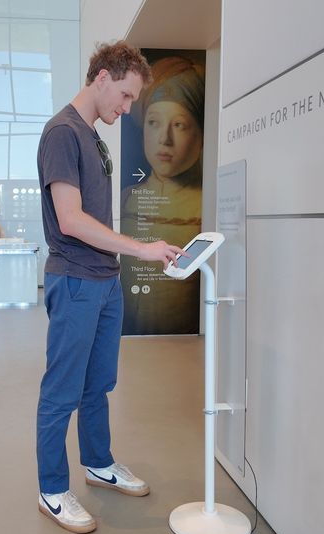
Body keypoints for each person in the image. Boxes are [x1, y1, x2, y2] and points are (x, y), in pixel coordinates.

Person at [35, 40, 185, 534]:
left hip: (104, 281)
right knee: (62, 392)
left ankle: (98, 462)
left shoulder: (94, 136)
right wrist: (140, 249)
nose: (125, 110)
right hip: (75, 279)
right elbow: (71, 219)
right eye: (123, 97)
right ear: (102, 77)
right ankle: (53, 491)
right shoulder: (62, 133)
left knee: (98, 384)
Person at [120, 55, 205, 335]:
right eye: (154, 122)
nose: (164, 139)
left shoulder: (206, 205)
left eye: (179, 125)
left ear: (201, 135)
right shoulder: (127, 198)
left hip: (182, 349)